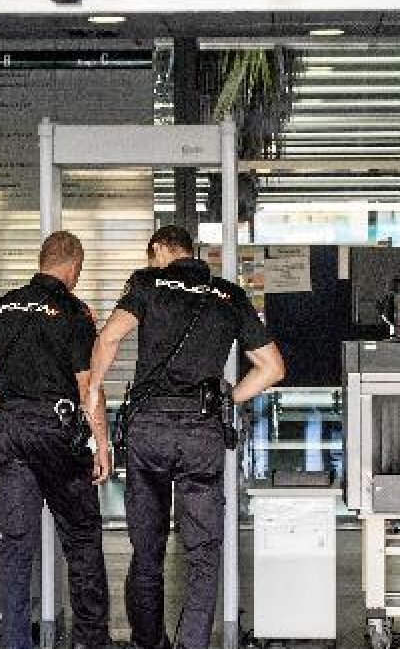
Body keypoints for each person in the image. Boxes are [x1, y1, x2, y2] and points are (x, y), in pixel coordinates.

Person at [84, 225, 285, 649]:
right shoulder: (228, 295)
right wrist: (229, 397)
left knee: (147, 550)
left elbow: (110, 337)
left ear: (159, 250)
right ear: (192, 251)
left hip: (149, 430)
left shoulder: (147, 282)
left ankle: (148, 643)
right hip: (201, 430)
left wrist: (92, 391)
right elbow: (272, 368)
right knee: (202, 555)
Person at [0, 230, 115, 649]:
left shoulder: (5, 306)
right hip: (56, 433)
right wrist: (101, 444)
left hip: (11, 429)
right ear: (73, 266)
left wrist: (14, 410)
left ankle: (15, 641)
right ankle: (90, 640)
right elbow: (87, 385)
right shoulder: (74, 311)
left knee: (16, 544)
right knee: (82, 537)